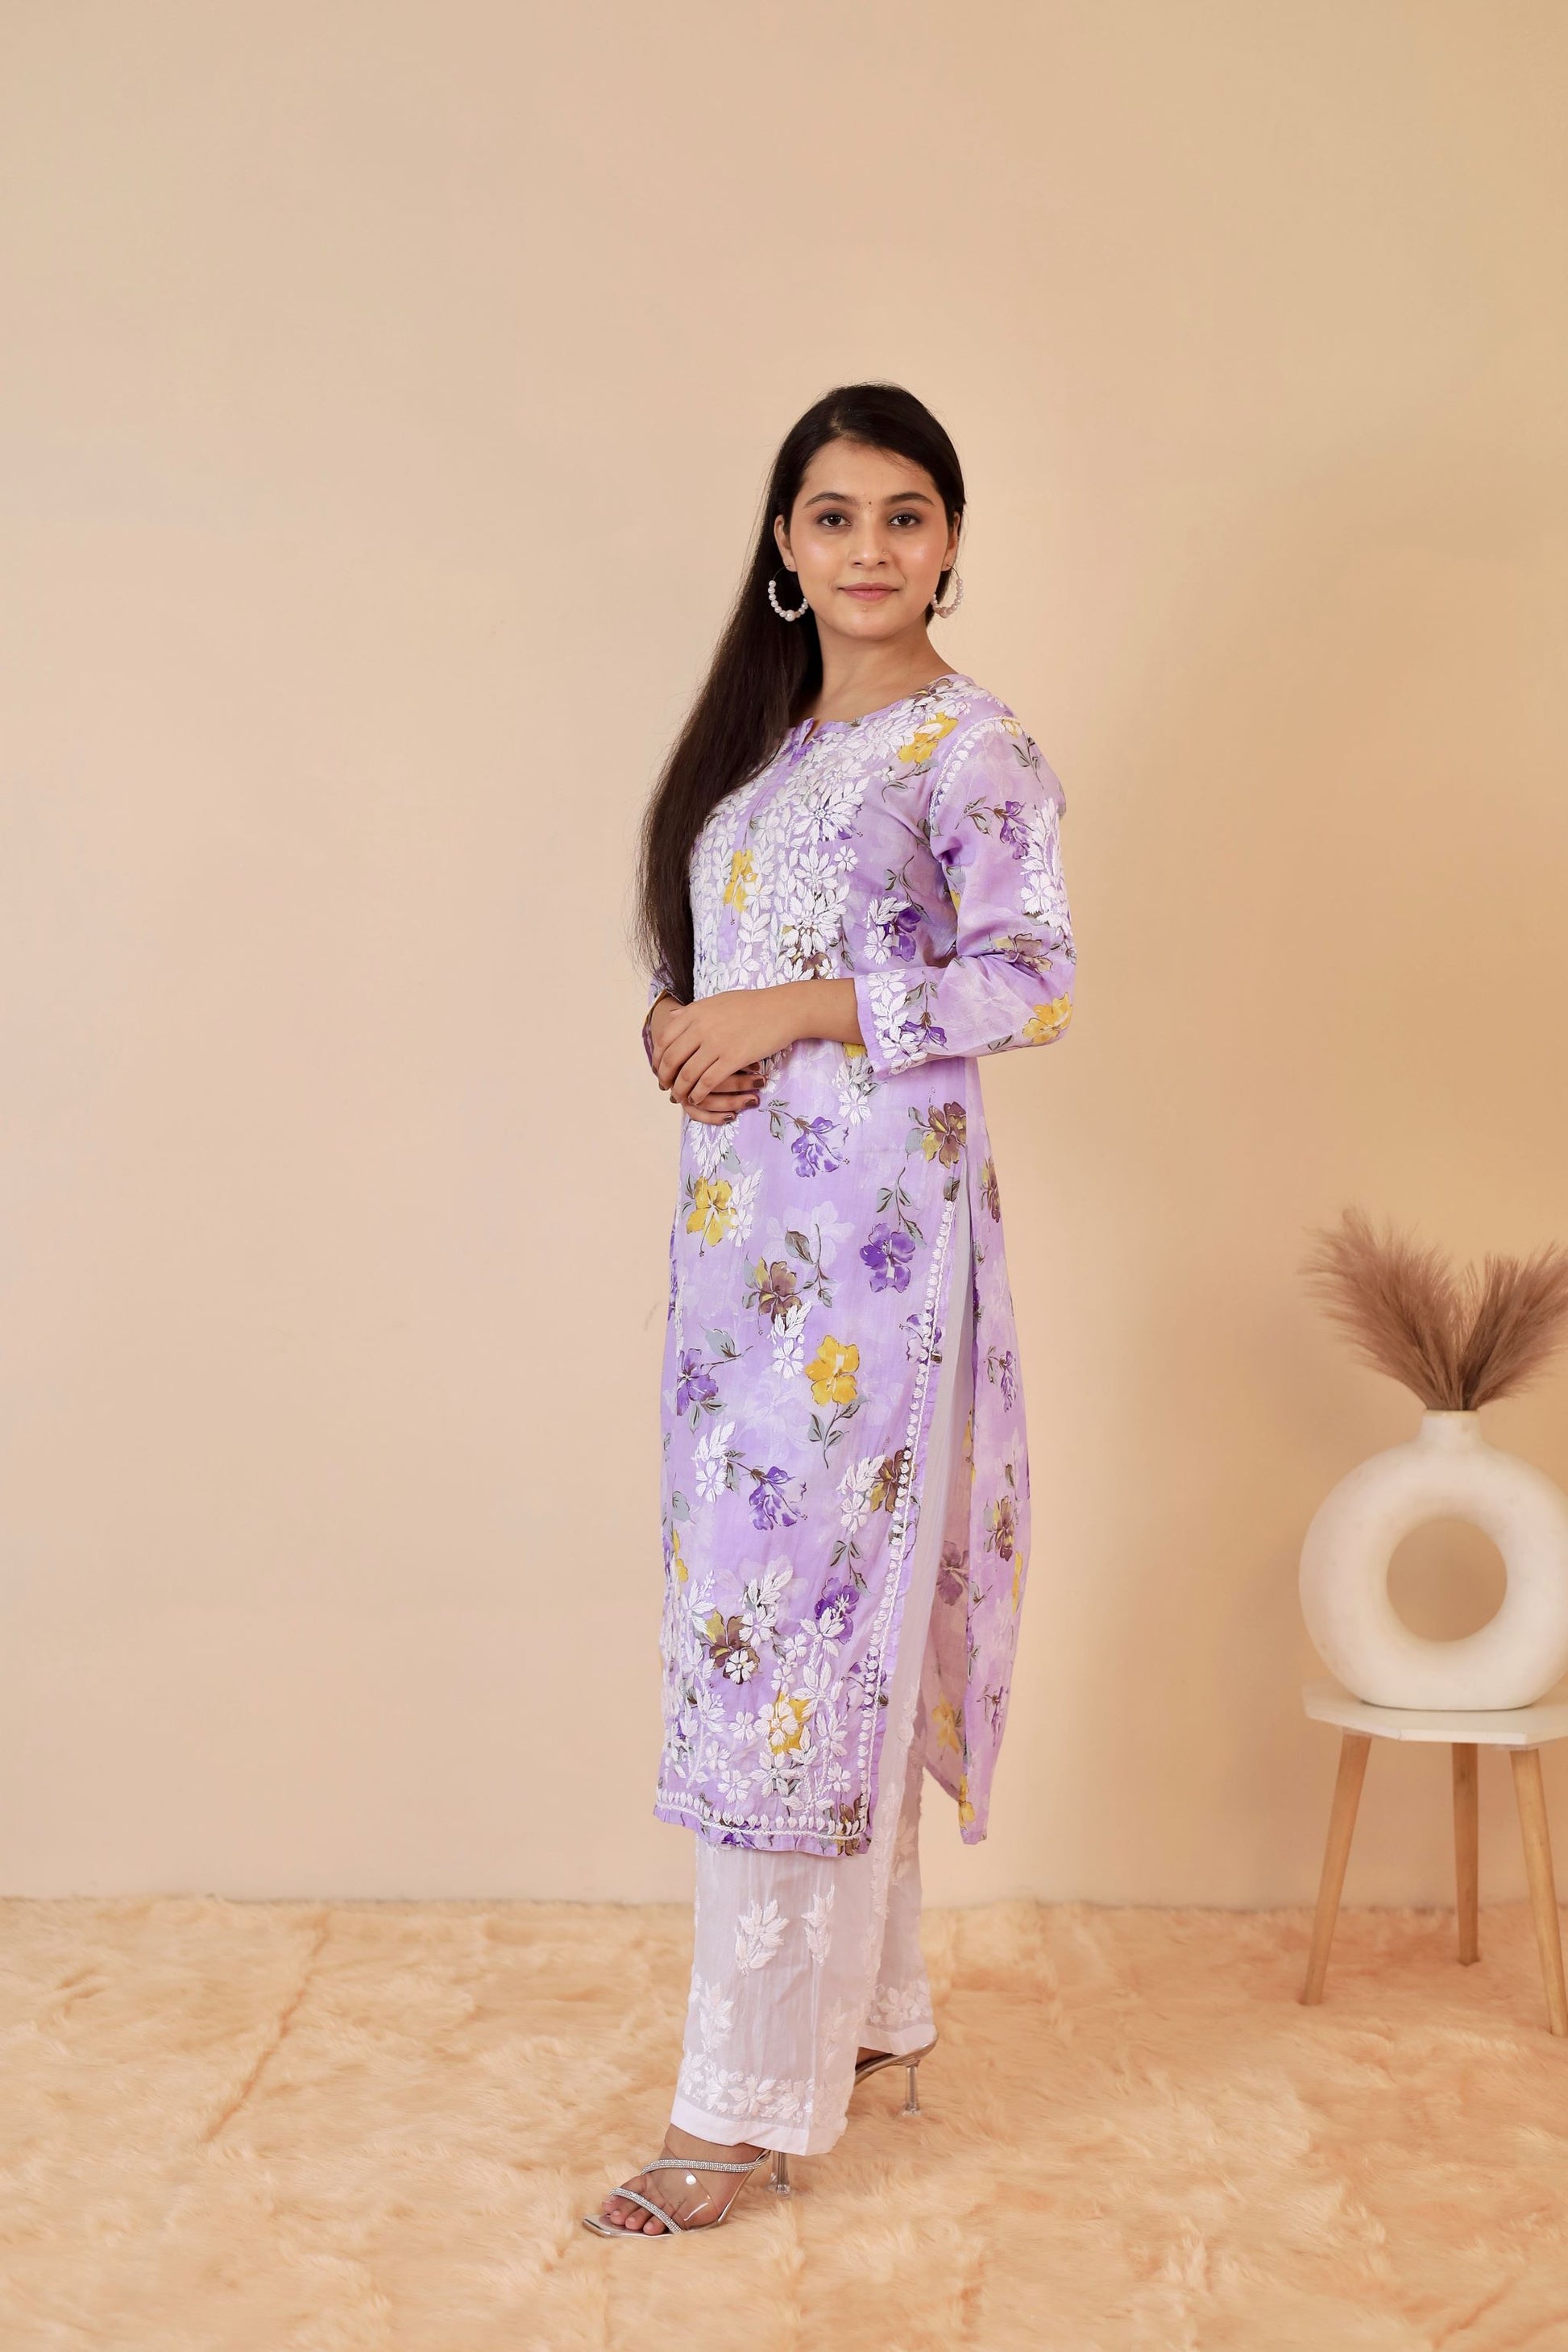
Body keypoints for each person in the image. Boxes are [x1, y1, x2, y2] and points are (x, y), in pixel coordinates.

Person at [584, 382, 1076, 2237]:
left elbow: (1032, 978)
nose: (869, 547)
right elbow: (703, 966)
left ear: (950, 542)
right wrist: (675, 1027)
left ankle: (738, 2104)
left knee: (804, 1637)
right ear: (784, 548)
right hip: (740, 1264)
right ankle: (862, 2012)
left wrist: (792, 1012)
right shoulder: (768, 749)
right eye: (832, 514)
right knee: (762, 1627)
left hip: (874, 1266)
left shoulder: (974, 746)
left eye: (904, 514)